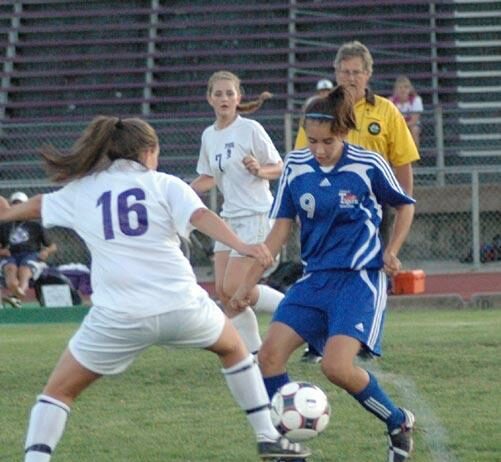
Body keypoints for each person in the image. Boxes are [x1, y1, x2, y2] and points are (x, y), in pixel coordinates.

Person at [0, 116, 309, 461]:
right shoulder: (165, 183)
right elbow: (201, 216)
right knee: (235, 349)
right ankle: (267, 436)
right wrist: (243, 245)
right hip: (182, 306)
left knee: (57, 393)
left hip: (118, 316)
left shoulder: (85, 189)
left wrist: (6, 215)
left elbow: (40, 204)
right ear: (149, 151)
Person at [231, 86, 416, 462]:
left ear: (344, 132)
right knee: (268, 357)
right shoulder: (296, 166)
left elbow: (404, 206)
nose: (318, 149)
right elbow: (280, 231)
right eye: (312, 140)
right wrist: (247, 283)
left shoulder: (368, 164)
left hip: (358, 280)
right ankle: (287, 443)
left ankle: (397, 423)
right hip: (313, 280)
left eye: (327, 141)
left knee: (335, 367)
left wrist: (392, 250)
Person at [295, 40, 420, 363]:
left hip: (372, 207)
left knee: (370, 269)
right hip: (326, 205)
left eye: (356, 72)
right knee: (320, 270)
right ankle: (317, 341)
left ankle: (363, 337)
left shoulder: (386, 111)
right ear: (336, 73)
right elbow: (303, 156)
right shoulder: (320, 109)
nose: (350, 78)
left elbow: (402, 161)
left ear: (368, 74)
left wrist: (403, 204)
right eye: (344, 72)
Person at [191, 70, 286, 355]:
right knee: (224, 292)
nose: (224, 98)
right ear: (209, 98)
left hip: (256, 215)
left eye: (229, 93)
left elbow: (279, 167)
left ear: (238, 97)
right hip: (229, 219)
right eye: (218, 93)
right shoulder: (209, 135)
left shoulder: (250, 128)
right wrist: (182, 192)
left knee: (236, 287)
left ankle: (299, 310)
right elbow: (208, 177)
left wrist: (260, 170)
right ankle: (254, 355)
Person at [0, 191, 57, 308]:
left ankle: (16, 296)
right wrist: (2, 251)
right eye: (14, 204)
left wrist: (45, 251)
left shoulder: (35, 226)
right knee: (10, 269)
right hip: (10, 255)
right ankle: (17, 294)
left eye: (20, 204)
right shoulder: (4, 225)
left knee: (24, 270)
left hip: (31, 254)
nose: (17, 207)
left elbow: (52, 246)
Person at [390, 75, 423, 148]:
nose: (403, 90)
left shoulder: (416, 100)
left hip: (411, 125)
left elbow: (414, 120)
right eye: (400, 87)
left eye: (406, 87)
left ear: (410, 89)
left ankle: (415, 153)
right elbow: (391, 120)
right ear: (396, 90)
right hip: (396, 126)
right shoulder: (391, 101)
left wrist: (402, 127)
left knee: (415, 129)